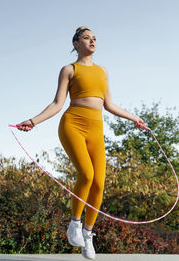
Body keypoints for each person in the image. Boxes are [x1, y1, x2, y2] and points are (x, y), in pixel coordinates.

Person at [16, 26, 147, 259]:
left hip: (96, 129)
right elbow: (57, 104)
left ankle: (87, 234)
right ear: (76, 43)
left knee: (99, 183)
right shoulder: (69, 69)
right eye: (87, 38)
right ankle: (74, 223)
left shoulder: (102, 71)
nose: (92, 41)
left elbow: (109, 105)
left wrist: (134, 117)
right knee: (86, 174)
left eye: (94, 38)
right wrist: (33, 121)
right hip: (72, 124)